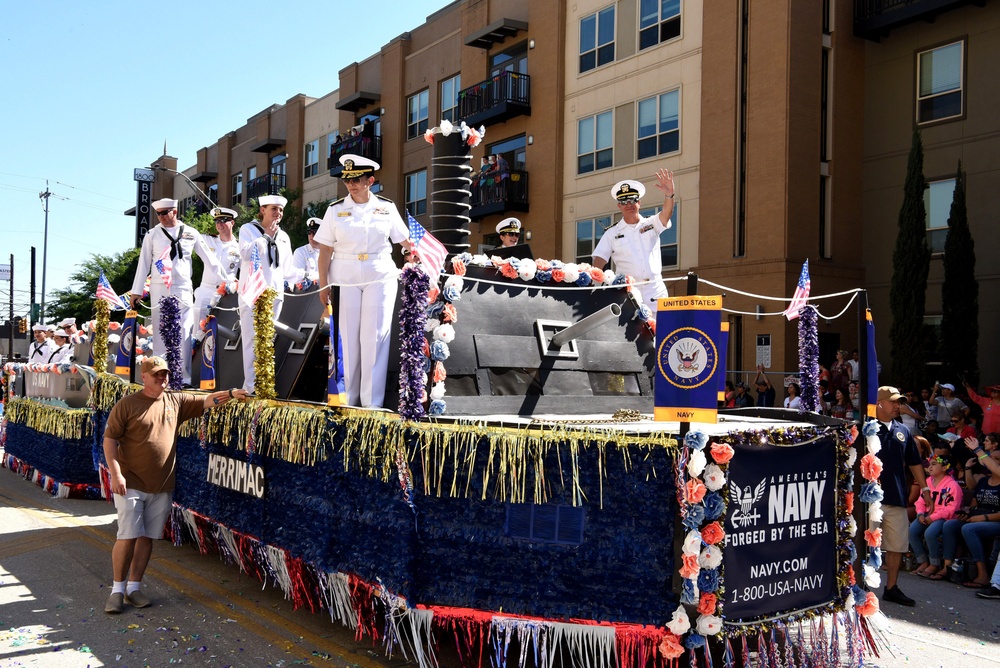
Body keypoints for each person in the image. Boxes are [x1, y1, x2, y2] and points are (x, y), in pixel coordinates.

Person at [102, 356, 247, 614]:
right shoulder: (127, 404)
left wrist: (233, 393)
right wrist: (116, 474)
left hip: (161, 485)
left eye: (165, 374)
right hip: (131, 483)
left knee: (147, 537)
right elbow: (110, 440)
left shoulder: (175, 401)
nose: (162, 378)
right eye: (156, 374)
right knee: (128, 536)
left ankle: (134, 588)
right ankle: (116, 591)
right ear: (144, 376)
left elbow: (208, 400)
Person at [315, 154, 414, 408]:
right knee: (347, 340)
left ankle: (372, 403)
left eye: (357, 179)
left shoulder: (387, 207)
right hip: (344, 277)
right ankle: (347, 399)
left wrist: (418, 258)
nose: (351, 185)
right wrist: (323, 284)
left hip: (379, 274)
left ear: (370, 180)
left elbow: (406, 242)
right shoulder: (335, 210)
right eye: (347, 180)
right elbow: (325, 250)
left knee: (375, 338)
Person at [130, 198, 226, 386]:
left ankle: (183, 378)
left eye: (165, 213)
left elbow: (210, 259)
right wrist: (136, 290)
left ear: (175, 212)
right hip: (159, 286)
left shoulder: (191, 233)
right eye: (159, 214)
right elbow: (144, 264)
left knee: (185, 331)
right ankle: (160, 375)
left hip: (183, 286)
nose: (162, 217)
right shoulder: (153, 234)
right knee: (160, 331)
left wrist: (228, 281)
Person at [874, 386, 932, 606]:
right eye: (893, 402)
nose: (898, 406)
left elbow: (915, 462)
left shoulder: (904, 431)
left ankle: (891, 588)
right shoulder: (866, 428)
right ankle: (856, 586)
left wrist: (925, 490)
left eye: (899, 402)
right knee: (863, 543)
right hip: (870, 498)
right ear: (879, 403)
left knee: (897, 545)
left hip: (896, 496)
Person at [592, 170, 676, 310]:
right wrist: (594, 286)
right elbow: (599, 260)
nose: (629, 204)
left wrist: (669, 195)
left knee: (662, 329)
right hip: (628, 291)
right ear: (619, 206)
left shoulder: (652, 223)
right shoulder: (612, 233)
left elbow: (666, 214)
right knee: (632, 330)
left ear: (639, 202)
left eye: (633, 199)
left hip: (655, 289)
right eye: (624, 201)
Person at [237, 194, 294, 393]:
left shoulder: (284, 236)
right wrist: (265, 237)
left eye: (280, 210)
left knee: (268, 340)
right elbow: (244, 254)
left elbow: (288, 268)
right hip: (253, 292)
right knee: (251, 340)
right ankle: (250, 387)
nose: (278, 213)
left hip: (275, 293)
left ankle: (264, 384)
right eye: (273, 209)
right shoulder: (249, 229)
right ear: (262, 210)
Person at [933, 446, 1000, 587]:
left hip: (994, 520)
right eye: (991, 457)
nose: (990, 461)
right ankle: (948, 567)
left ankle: (983, 574)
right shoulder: (983, 481)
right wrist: (967, 513)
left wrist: (983, 518)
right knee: (950, 525)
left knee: (969, 529)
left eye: (996, 459)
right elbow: (974, 505)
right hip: (977, 517)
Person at [909, 456, 963, 577]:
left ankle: (935, 563)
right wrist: (920, 513)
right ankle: (922, 561)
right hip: (927, 515)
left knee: (930, 533)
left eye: (934, 464)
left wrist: (932, 518)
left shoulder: (952, 485)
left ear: (944, 468)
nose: (930, 467)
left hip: (944, 518)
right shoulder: (928, 482)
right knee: (911, 531)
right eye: (930, 464)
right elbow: (920, 501)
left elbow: (951, 508)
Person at [194, 207, 240, 322]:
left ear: (232, 222)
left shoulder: (240, 247)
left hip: (226, 294)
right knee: (197, 330)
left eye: (224, 220)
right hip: (205, 291)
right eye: (217, 221)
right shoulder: (207, 240)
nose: (220, 224)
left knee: (222, 329)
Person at [290, 218, 323, 285]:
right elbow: (298, 277)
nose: (311, 235)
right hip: (309, 293)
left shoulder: (330, 252)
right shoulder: (301, 252)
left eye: (314, 232)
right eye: (309, 232)